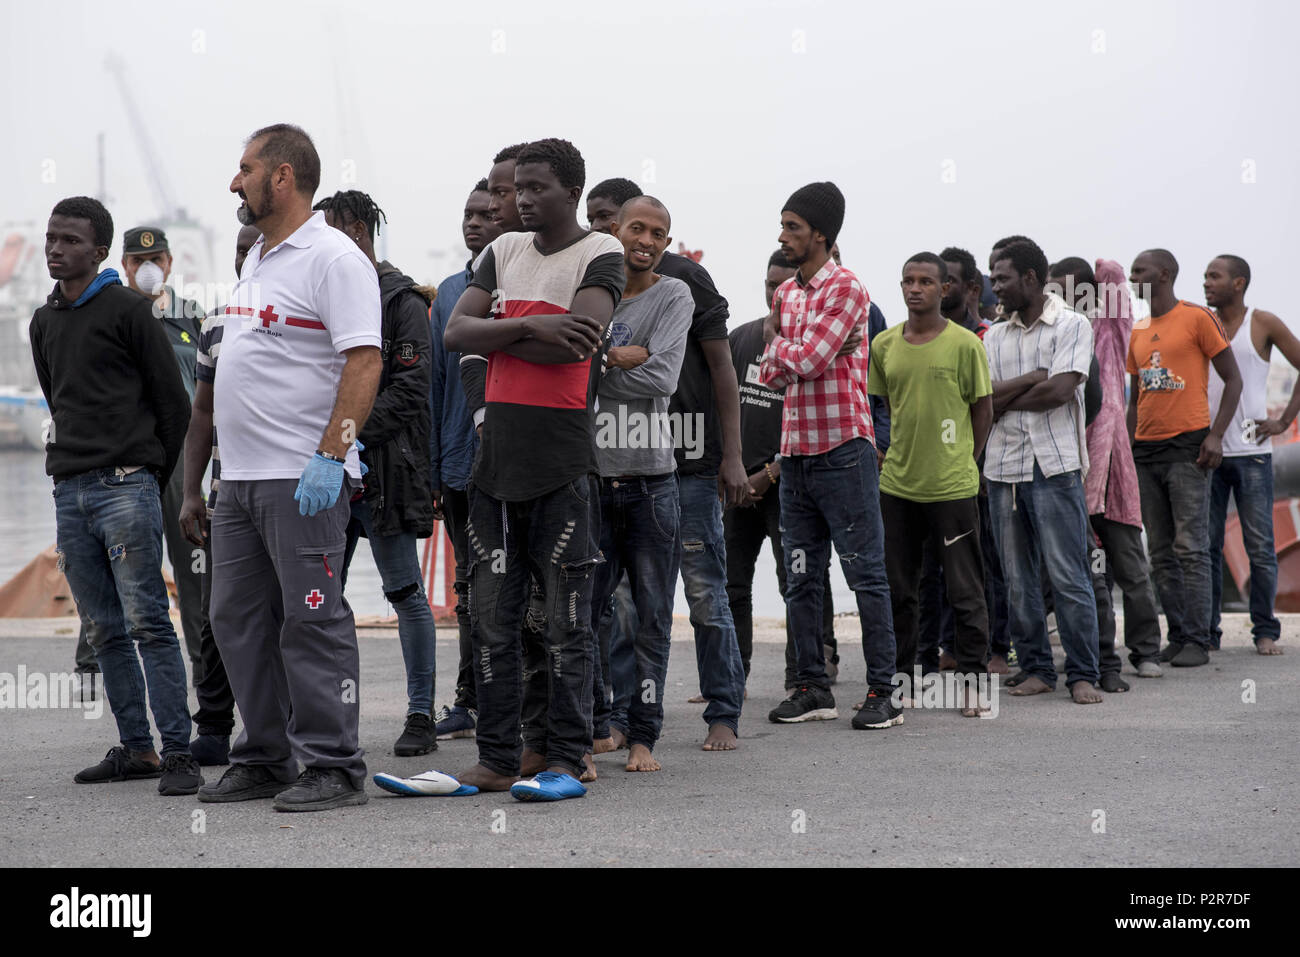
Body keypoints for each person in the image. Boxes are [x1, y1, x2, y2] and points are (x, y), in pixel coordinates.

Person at [199, 124, 382, 812]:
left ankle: (334, 764)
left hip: (300, 476)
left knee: (312, 618)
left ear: (281, 177)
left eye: (244, 168)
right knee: (235, 617)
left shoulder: (332, 258)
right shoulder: (262, 260)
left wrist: (331, 455)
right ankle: (267, 755)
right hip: (240, 479)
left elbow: (364, 359)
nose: (233, 181)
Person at [443, 138, 625, 802]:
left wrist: (501, 324)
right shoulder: (499, 252)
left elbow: (582, 335)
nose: (520, 198)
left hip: (563, 467)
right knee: (493, 620)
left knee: (567, 622)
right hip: (494, 470)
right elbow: (454, 335)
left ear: (570, 192)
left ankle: (568, 756)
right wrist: (531, 329)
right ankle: (496, 756)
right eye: (516, 187)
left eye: (536, 187)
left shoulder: (599, 253)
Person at [31, 196, 201, 794]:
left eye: (70, 240)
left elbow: (174, 407)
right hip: (69, 490)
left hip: (127, 487)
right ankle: (137, 749)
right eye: (51, 238)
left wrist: (148, 478)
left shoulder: (132, 311)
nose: (56, 248)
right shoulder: (44, 321)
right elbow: (60, 399)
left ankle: (178, 752)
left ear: (99, 251)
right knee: (103, 629)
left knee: (149, 621)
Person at [759, 181, 900, 730]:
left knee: (866, 576)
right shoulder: (786, 294)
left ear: (821, 234)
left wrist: (784, 350)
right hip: (794, 454)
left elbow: (811, 362)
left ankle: (884, 693)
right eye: (783, 224)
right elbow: (776, 372)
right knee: (801, 577)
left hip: (844, 449)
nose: (782, 235)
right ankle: (812, 687)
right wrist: (787, 351)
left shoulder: (847, 289)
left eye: (792, 226)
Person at [315, 189, 438, 756]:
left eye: (335, 230)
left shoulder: (401, 300)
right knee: (321, 594)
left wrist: (347, 436)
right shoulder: (323, 289)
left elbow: (411, 390)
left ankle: (420, 716)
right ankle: (318, 715)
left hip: (384, 472)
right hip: (328, 473)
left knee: (405, 591)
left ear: (361, 231)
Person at [589, 195, 693, 772]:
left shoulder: (674, 294)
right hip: (594, 482)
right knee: (587, 615)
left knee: (652, 617)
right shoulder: (593, 292)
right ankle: (597, 727)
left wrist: (601, 366)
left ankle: (643, 738)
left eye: (658, 232)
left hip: (653, 483)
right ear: (614, 230)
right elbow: (576, 374)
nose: (646, 239)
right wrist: (616, 359)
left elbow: (664, 377)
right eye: (637, 227)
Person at [870, 253, 993, 714]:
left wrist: (969, 461)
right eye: (908, 280)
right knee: (901, 591)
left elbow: (983, 408)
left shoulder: (965, 344)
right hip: (898, 487)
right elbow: (879, 405)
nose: (914, 288)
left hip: (952, 488)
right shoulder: (883, 345)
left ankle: (975, 685)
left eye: (925, 281)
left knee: (964, 590)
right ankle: (901, 681)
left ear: (944, 289)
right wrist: (883, 454)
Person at [984, 238, 1102, 704]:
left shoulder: (1072, 324)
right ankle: (1035, 668)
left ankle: (1082, 673)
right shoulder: (994, 335)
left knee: (1068, 574)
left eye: (1003, 278)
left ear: (1030, 278)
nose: (996, 287)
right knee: (1016, 577)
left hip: (1055, 467)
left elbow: (1060, 391)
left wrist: (1012, 395)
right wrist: (1032, 378)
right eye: (993, 279)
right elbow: (983, 402)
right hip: (1003, 468)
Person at [726, 250, 843, 691]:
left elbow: (816, 422)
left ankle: (808, 671)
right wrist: (733, 469)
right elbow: (723, 409)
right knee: (731, 585)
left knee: (799, 578)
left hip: (790, 485)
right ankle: (732, 676)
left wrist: (770, 473)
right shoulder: (739, 340)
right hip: (738, 487)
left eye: (784, 286)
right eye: (769, 285)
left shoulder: (814, 346)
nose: (776, 294)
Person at [1049, 257, 1163, 685]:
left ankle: (1145, 651)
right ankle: (1087, 651)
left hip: (1113, 469)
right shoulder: (1056, 331)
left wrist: (1091, 273)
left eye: (1064, 288)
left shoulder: (1107, 327)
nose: (1056, 297)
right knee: (1082, 570)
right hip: (1073, 469)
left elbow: (1112, 270)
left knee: (1131, 567)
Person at [1127, 249, 1241, 668]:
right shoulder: (1138, 330)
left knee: (1190, 547)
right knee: (1159, 550)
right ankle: (1177, 635)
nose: (1132, 275)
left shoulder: (1197, 318)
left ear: (1165, 273)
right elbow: (1136, 398)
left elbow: (1233, 379)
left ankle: (1198, 637)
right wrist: (1126, 447)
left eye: (1139, 269)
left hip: (1188, 448)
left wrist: (1215, 436)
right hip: (1145, 452)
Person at [177, 226, 260, 766]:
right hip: (225, 492)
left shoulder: (305, 319)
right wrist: (190, 493)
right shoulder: (215, 325)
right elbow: (201, 415)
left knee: (289, 618)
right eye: (237, 249)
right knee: (218, 614)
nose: (243, 258)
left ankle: (284, 728)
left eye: (252, 248)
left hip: (290, 492)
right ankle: (212, 724)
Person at [429, 179, 502, 740]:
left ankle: (514, 700)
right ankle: (468, 699)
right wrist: (433, 468)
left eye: (486, 214)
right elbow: (434, 385)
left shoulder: (521, 282)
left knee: (514, 585)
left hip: (515, 464)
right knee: (468, 590)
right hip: (458, 463)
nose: (474, 223)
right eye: (468, 214)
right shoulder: (451, 292)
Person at [916, 246, 1010, 676]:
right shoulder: (919, 339)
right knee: (931, 571)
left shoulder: (987, 338)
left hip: (979, 469)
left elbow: (987, 403)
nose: (942, 287)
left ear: (971, 289)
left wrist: (972, 462)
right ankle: (939, 648)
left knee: (982, 565)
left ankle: (994, 648)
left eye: (948, 280)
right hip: (927, 473)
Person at [1204, 254, 1295, 656]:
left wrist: (1282, 422)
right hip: (1209, 451)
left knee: (1260, 545)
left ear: (1238, 283)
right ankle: (1207, 632)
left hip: (1253, 453)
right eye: (1205, 276)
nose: (1206, 282)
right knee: (1204, 546)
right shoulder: (1200, 322)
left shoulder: (1263, 322)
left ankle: (1265, 630)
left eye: (1214, 276)